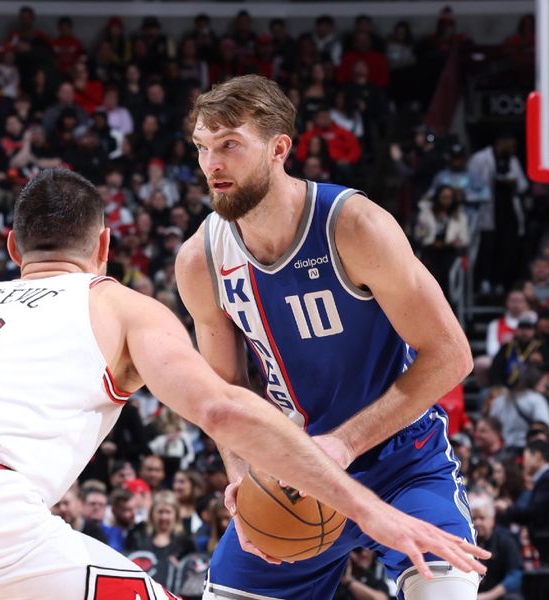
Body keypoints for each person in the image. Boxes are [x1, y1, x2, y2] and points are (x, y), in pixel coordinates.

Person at [0, 168, 486, 599]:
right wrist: (370, 510)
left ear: (11, 250)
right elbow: (222, 405)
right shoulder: (117, 302)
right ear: (103, 249)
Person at [177, 75, 481, 600]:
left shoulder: (355, 225)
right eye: (204, 147)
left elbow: (452, 356)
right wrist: (242, 478)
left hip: (403, 464)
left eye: (229, 145)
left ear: (278, 149)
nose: (212, 165)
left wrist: (344, 444)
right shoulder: (200, 260)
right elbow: (226, 389)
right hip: (293, 479)